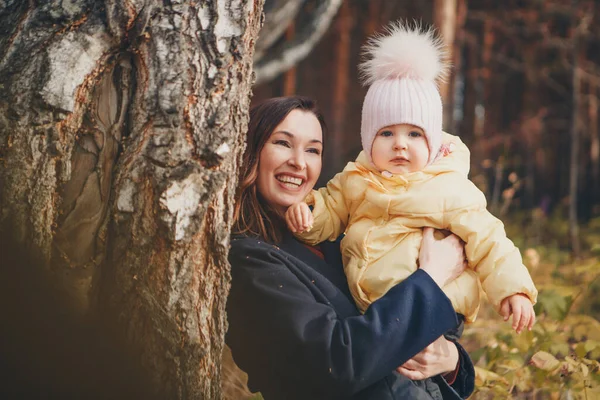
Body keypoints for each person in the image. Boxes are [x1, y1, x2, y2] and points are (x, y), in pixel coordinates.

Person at [285, 20, 538, 390]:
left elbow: (490, 240)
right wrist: (307, 214)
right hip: (378, 310)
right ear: (369, 140)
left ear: (432, 142)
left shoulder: (448, 188)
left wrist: (513, 290)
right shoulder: (356, 180)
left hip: (435, 307)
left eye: (413, 133)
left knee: (415, 374)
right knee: (396, 378)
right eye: (386, 133)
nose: (400, 144)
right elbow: (330, 206)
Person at [226, 95, 475, 399]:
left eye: (313, 150)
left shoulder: (340, 239)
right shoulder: (249, 260)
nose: (299, 162)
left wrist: (449, 360)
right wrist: (432, 277)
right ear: (251, 151)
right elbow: (336, 363)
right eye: (282, 143)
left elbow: (423, 354)